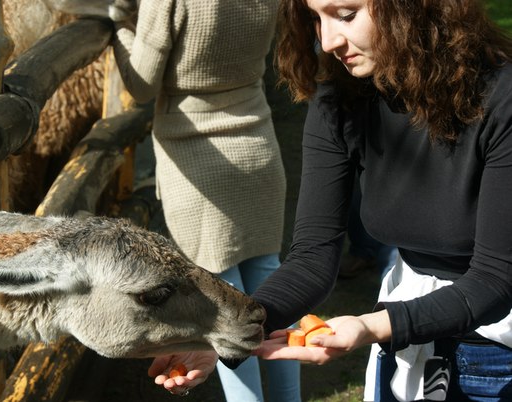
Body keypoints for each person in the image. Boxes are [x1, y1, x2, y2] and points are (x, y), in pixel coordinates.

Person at [149, 0, 512, 400]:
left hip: (498, 348)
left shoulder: (502, 100)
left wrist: (373, 327)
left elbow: (495, 279)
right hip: (403, 335)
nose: (327, 40)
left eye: (346, 14)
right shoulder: (341, 101)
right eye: (314, 19)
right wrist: (227, 335)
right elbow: (312, 259)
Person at [108, 1, 302, 401]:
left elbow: (141, 84)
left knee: (221, 307)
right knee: (270, 281)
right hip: (256, 141)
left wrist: (118, 25)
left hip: (195, 158)